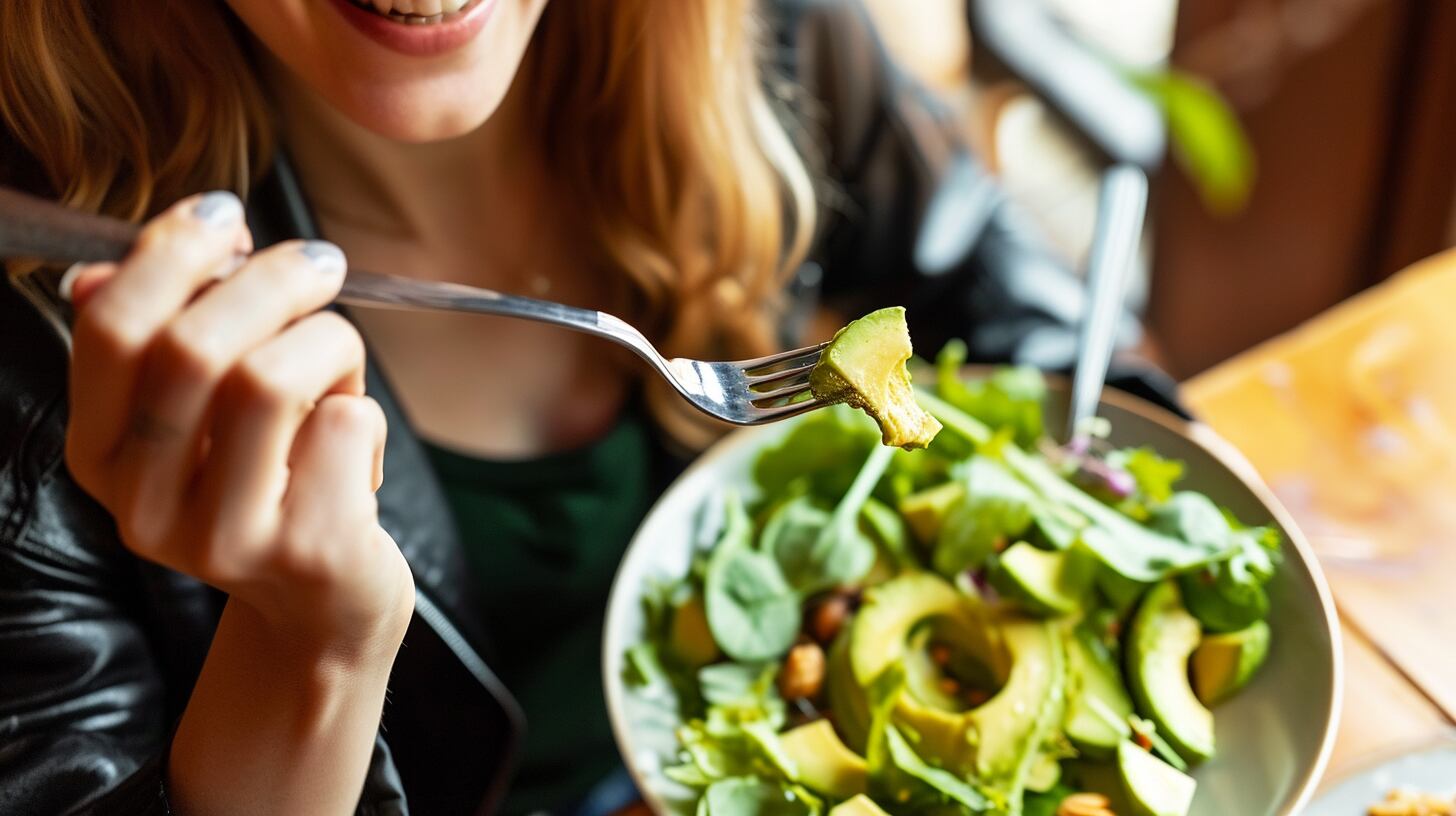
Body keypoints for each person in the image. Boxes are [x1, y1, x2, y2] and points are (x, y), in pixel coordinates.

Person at [0, 1, 1176, 814]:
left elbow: (982, 268)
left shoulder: (762, 28)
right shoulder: (38, 343)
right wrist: (306, 649)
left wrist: (1131, 481)